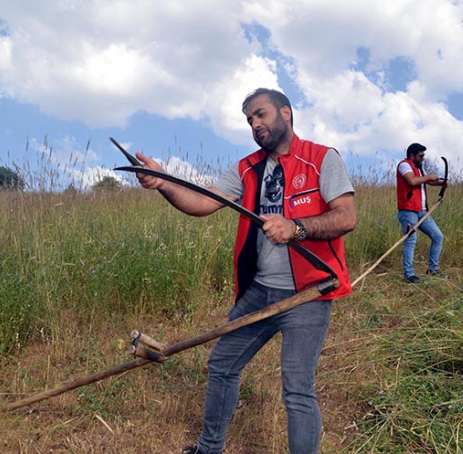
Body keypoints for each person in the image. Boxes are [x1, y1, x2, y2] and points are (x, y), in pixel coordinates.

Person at [134, 88, 356, 454]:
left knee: (297, 387)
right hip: (259, 292)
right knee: (221, 365)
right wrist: (163, 183)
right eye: (250, 119)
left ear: (286, 112)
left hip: (308, 294)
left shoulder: (322, 158)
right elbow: (203, 202)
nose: (255, 124)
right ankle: (210, 449)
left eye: (261, 114)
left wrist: (295, 227)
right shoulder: (246, 168)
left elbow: (346, 218)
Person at [396, 142, 447, 284]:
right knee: (411, 241)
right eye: (420, 155)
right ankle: (409, 274)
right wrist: (430, 176)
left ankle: (433, 269)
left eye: (423, 155)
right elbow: (412, 181)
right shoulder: (404, 165)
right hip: (408, 211)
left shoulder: (419, 168)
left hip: (422, 211)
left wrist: (440, 184)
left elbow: (426, 182)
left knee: (438, 236)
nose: (423, 158)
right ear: (412, 155)